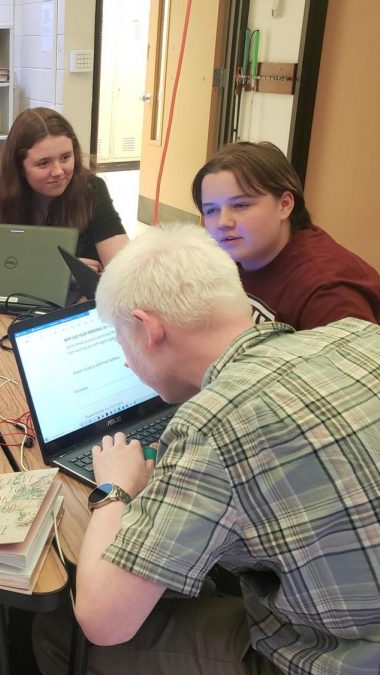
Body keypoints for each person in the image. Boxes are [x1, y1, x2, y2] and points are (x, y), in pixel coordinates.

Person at [33, 223, 380, 675]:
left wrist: (115, 489)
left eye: (120, 342)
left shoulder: (209, 426)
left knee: (60, 634)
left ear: (147, 328)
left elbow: (103, 620)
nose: (124, 360)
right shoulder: (359, 336)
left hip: (335, 659)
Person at [192, 141, 380, 330]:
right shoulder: (230, 257)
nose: (224, 222)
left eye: (241, 205)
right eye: (212, 210)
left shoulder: (327, 292)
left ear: (284, 205)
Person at [0, 107, 128, 270]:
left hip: (81, 295)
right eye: (43, 163)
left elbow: (123, 272)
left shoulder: (91, 190)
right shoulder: (5, 192)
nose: (58, 172)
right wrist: (60, 271)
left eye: (65, 157)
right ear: (20, 167)